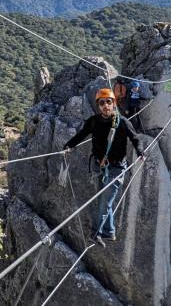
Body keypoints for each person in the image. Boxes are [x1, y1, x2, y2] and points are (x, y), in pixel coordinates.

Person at [63, 88, 145, 243]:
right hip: (99, 166)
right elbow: (81, 135)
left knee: (105, 201)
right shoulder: (93, 122)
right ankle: (110, 232)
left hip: (116, 168)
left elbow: (135, 138)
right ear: (98, 106)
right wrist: (68, 146)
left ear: (114, 103)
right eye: (102, 103)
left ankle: (96, 232)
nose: (105, 106)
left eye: (109, 102)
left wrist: (140, 152)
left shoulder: (123, 122)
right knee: (102, 198)